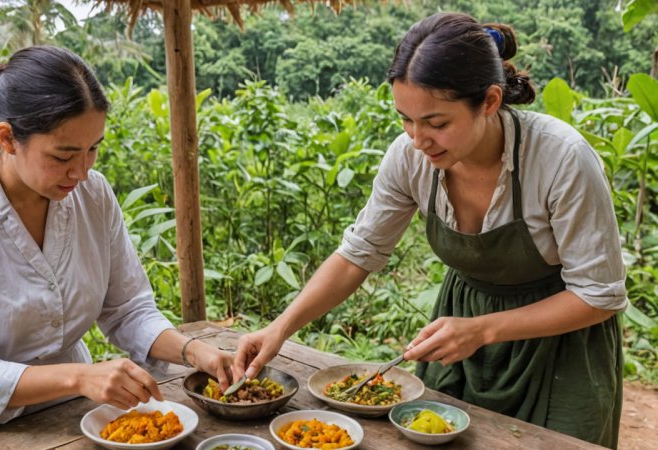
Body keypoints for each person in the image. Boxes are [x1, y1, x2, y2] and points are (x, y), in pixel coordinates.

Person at [232, 12, 626, 448]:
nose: (419, 140)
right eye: (406, 119)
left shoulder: (561, 159)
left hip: (560, 346)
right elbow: (358, 253)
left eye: (437, 123)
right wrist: (280, 328)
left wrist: (482, 330)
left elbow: (599, 295)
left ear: (490, 101)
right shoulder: (409, 158)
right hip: (462, 338)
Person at [0, 46, 232, 449]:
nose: (82, 170)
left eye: (93, 148)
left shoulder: (92, 195)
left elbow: (127, 307)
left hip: (68, 419)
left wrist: (194, 351)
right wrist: (78, 376)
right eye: (63, 155)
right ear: (7, 138)